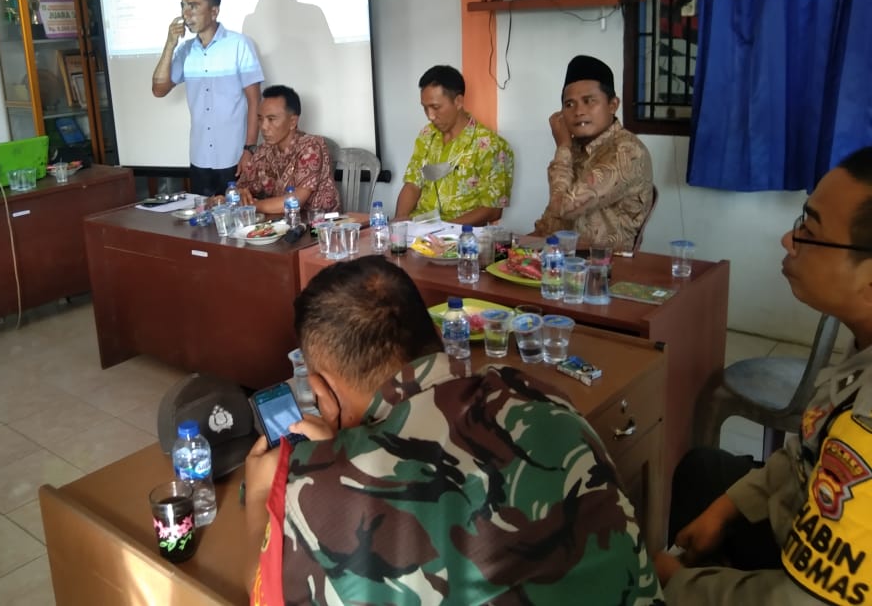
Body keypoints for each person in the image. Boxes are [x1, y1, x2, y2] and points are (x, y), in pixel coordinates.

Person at [244, 256, 663, 605]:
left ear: (323, 391)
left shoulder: (323, 487)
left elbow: (263, 593)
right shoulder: (534, 393)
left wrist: (265, 491)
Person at [654, 146, 872, 605]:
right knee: (705, 472)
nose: (788, 240)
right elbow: (806, 451)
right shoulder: (862, 349)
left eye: (810, 231)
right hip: (804, 511)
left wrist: (676, 583)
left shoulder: (864, 429)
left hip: (818, 582)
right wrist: (728, 508)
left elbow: (803, 602)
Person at [152, 0, 264, 196]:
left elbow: (254, 101)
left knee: (236, 214)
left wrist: (249, 149)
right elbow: (159, 89)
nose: (186, 14)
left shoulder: (239, 44)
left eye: (193, 6)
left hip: (233, 155)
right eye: (183, 6)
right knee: (203, 215)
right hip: (200, 156)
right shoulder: (185, 50)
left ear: (214, 11)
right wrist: (170, 44)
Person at [534, 55, 653, 252]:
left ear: (613, 105)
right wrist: (525, 245)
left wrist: (562, 147)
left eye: (589, 101)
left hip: (606, 263)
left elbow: (563, 207)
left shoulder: (627, 152)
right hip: (564, 257)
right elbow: (553, 217)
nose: (578, 111)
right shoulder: (577, 147)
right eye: (569, 104)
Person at [394, 64, 514, 225]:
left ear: (458, 102)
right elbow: (412, 185)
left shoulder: (491, 145)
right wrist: (400, 223)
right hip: (419, 230)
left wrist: (445, 229)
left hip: (461, 233)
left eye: (435, 107)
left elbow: (493, 209)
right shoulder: (426, 135)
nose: (430, 116)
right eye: (425, 108)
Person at [237, 84, 339, 215]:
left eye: (271, 119)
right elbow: (239, 189)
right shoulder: (264, 150)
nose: (263, 126)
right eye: (260, 119)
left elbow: (294, 201)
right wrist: (241, 194)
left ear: (292, 122)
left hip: (320, 223)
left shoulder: (311, 146)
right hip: (281, 223)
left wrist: (252, 205)